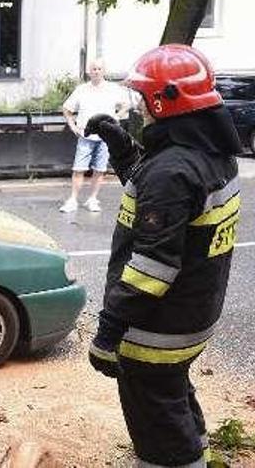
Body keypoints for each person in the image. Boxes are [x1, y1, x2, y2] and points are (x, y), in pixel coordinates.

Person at [85, 44, 240, 467]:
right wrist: (123, 150)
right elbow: (161, 204)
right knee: (175, 399)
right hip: (191, 321)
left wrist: (108, 332)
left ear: (163, 101)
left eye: (142, 98)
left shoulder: (172, 171)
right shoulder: (211, 156)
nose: (139, 107)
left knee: (157, 428)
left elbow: (152, 267)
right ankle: (197, 456)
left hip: (156, 330)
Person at [60, 59, 128, 213]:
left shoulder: (113, 89)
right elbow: (67, 108)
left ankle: (92, 199)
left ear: (104, 71)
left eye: (99, 69)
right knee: (78, 168)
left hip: (105, 136)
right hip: (86, 135)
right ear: (89, 72)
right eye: (93, 69)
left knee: (100, 169)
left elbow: (126, 104)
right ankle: (73, 200)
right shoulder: (82, 90)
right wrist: (73, 126)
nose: (96, 71)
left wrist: (116, 118)